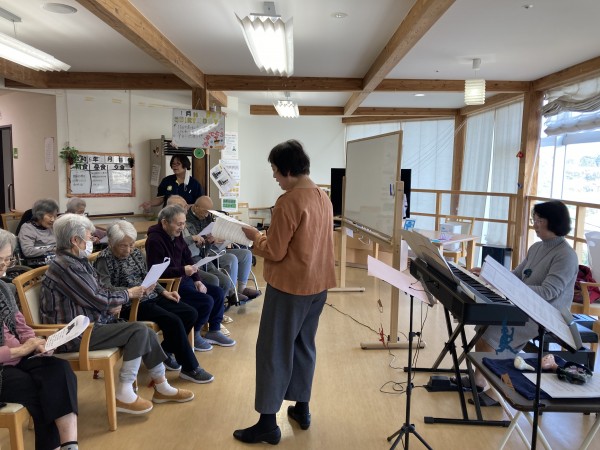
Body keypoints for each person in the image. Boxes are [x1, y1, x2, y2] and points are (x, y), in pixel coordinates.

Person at [39, 214, 194, 415]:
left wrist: (111, 303)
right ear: (75, 240)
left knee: (145, 331)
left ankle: (161, 386)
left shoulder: (76, 261)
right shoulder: (67, 267)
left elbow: (99, 292)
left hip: (90, 324)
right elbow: (98, 297)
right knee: (138, 331)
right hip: (74, 334)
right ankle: (124, 393)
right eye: (89, 237)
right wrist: (127, 294)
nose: (93, 241)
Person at [234, 140, 336, 445]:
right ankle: (302, 408)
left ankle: (268, 423)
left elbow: (276, 251)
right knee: (304, 345)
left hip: (290, 287)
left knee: (273, 350)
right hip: (318, 284)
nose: (275, 177)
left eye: (276, 171)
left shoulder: (289, 201)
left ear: (288, 170)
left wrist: (255, 237)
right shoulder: (323, 196)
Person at [467, 200, 578, 407]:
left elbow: (548, 292)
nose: (535, 224)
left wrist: (510, 289)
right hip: (523, 306)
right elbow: (516, 276)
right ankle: (480, 380)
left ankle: (502, 392)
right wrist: (489, 275)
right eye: (535, 219)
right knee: (485, 326)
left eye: (539, 220)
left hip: (547, 315)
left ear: (553, 222)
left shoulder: (566, 256)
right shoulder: (536, 247)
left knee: (496, 335)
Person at [93, 220, 214, 383]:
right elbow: (105, 289)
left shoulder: (135, 253)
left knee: (190, 313)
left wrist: (164, 291)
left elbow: (148, 276)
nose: (128, 250)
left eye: (131, 245)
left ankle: (163, 353)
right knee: (173, 321)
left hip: (150, 296)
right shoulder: (104, 259)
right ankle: (190, 368)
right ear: (112, 243)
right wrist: (133, 291)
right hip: (130, 304)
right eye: (123, 246)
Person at [0, 228, 79, 450]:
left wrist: (37, 343)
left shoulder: (3, 288)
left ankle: (70, 445)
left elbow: (20, 324)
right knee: (40, 390)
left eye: (8, 259)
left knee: (59, 370)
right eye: (0, 260)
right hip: (4, 366)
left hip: (19, 357)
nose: (4, 265)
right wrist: (20, 350)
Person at [145, 205, 236, 353]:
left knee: (218, 293)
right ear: (165, 222)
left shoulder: (176, 235)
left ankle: (214, 330)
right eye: (179, 224)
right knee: (206, 301)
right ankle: (194, 333)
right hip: (171, 286)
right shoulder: (155, 240)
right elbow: (156, 273)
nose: (182, 227)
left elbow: (187, 257)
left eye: (184, 223)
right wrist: (183, 270)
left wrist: (197, 280)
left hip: (184, 280)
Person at [186, 196, 261, 305]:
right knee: (231, 258)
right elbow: (194, 243)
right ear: (196, 207)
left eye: (209, 212)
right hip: (205, 251)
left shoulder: (207, 216)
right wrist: (207, 239)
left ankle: (242, 289)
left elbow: (212, 230)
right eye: (205, 212)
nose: (207, 215)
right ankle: (232, 293)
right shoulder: (187, 219)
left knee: (246, 254)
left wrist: (218, 237)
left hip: (216, 247)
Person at [17, 198, 59, 267]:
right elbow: (28, 251)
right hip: (38, 265)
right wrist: (52, 249)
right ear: (39, 215)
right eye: (50, 216)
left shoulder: (52, 227)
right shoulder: (28, 228)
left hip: (55, 262)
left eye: (55, 216)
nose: (53, 219)